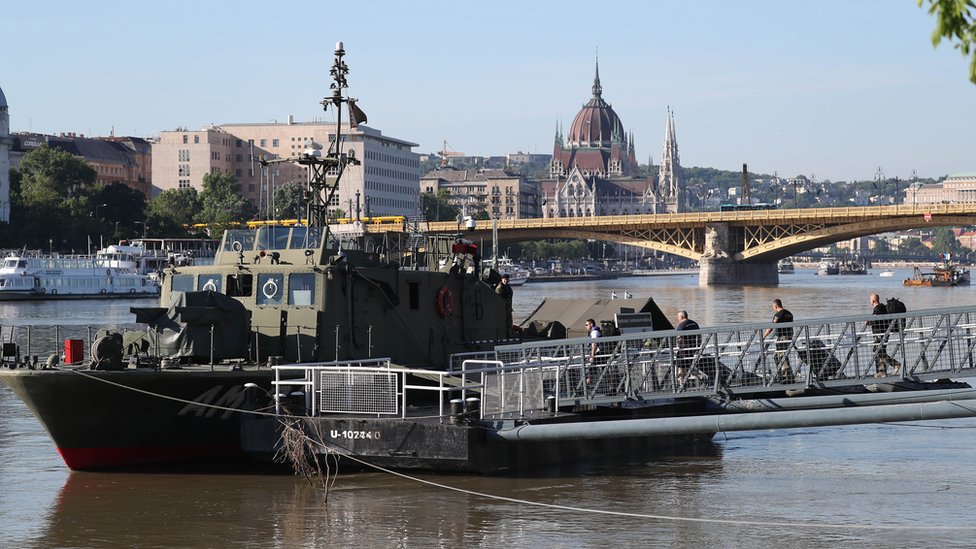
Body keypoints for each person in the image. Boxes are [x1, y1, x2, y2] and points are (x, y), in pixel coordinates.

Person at [763, 299, 794, 383]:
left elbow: (771, 327)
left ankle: (787, 376)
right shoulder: (789, 313)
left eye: (773, 307)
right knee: (778, 356)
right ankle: (784, 375)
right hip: (789, 336)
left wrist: (763, 336)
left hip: (782, 338)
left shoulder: (778, 315)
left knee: (780, 356)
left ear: (775, 306)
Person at [869, 293, 900, 377]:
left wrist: (867, 321)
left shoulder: (877, 309)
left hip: (880, 334)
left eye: (870, 300)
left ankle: (894, 365)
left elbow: (873, 320)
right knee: (881, 351)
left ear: (873, 301)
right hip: (884, 333)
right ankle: (882, 371)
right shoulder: (883, 307)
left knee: (878, 351)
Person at [675, 310, 701, 387]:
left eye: (678, 317)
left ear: (682, 317)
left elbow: (680, 339)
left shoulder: (681, 326)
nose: (677, 319)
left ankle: (681, 384)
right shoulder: (694, 323)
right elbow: (699, 336)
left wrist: (682, 350)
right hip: (692, 349)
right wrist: (698, 347)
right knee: (690, 366)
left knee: (681, 368)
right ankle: (701, 376)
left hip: (684, 350)